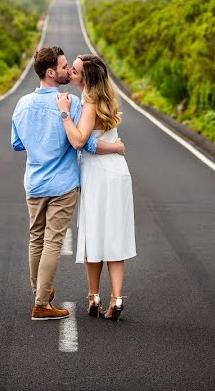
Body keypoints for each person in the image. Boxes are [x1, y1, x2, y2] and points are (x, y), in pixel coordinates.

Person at [11, 46, 126, 321]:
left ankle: (40, 291)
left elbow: (17, 144)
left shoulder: (22, 104)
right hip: (62, 183)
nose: (67, 70)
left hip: (34, 182)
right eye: (64, 67)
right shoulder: (71, 102)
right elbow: (83, 141)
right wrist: (115, 147)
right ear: (51, 72)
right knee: (53, 241)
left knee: (35, 238)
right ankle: (41, 303)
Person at [57, 54, 136, 321]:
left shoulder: (88, 105)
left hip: (99, 173)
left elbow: (81, 141)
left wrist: (65, 115)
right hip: (118, 171)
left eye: (75, 71)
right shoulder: (109, 99)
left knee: (94, 234)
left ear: (86, 78)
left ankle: (94, 296)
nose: (70, 73)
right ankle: (116, 297)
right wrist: (116, 146)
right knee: (115, 235)